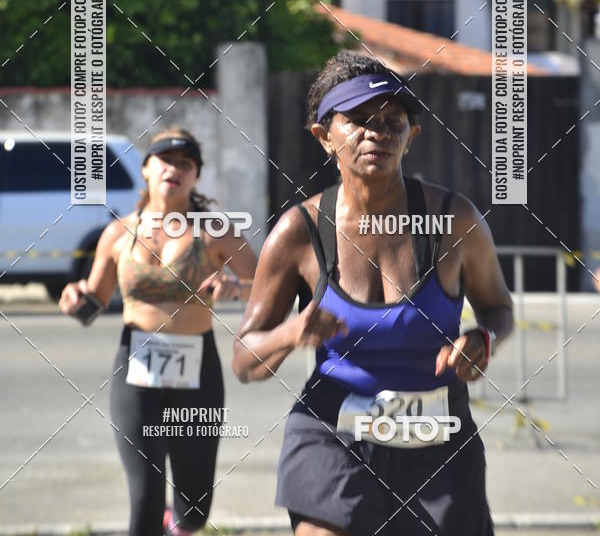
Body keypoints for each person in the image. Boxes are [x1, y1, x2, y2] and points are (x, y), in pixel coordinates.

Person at [233, 51, 513, 536]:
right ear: (324, 136)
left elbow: (499, 308)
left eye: (392, 121)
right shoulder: (299, 232)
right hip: (334, 434)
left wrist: (483, 337)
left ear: (412, 136)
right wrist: (291, 331)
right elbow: (244, 361)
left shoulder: (455, 222)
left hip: (438, 436)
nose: (377, 132)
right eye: (358, 120)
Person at [59, 127, 257, 536]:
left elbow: (270, 287)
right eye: (165, 158)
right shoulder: (116, 234)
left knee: (195, 505)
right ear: (146, 168)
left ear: (196, 176)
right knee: (145, 496)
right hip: (135, 371)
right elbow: (91, 304)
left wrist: (237, 288)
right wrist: (73, 298)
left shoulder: (216, 231)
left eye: (186, 163)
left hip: (197, 371)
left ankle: (181, 525)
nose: (175, 168)